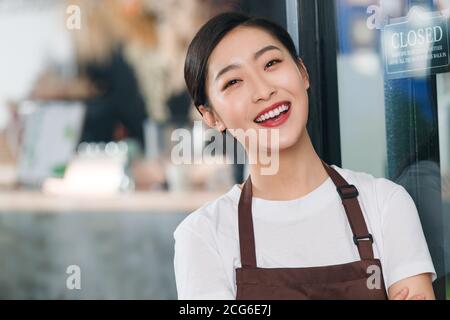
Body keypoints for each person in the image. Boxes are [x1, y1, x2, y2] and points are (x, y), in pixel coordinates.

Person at [173, 12, 436, 300]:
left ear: (302, 72)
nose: (263, 90)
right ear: (210, 116)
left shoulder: (385, 204)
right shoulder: (202, 236)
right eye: (233, 82)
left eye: (271, 63)